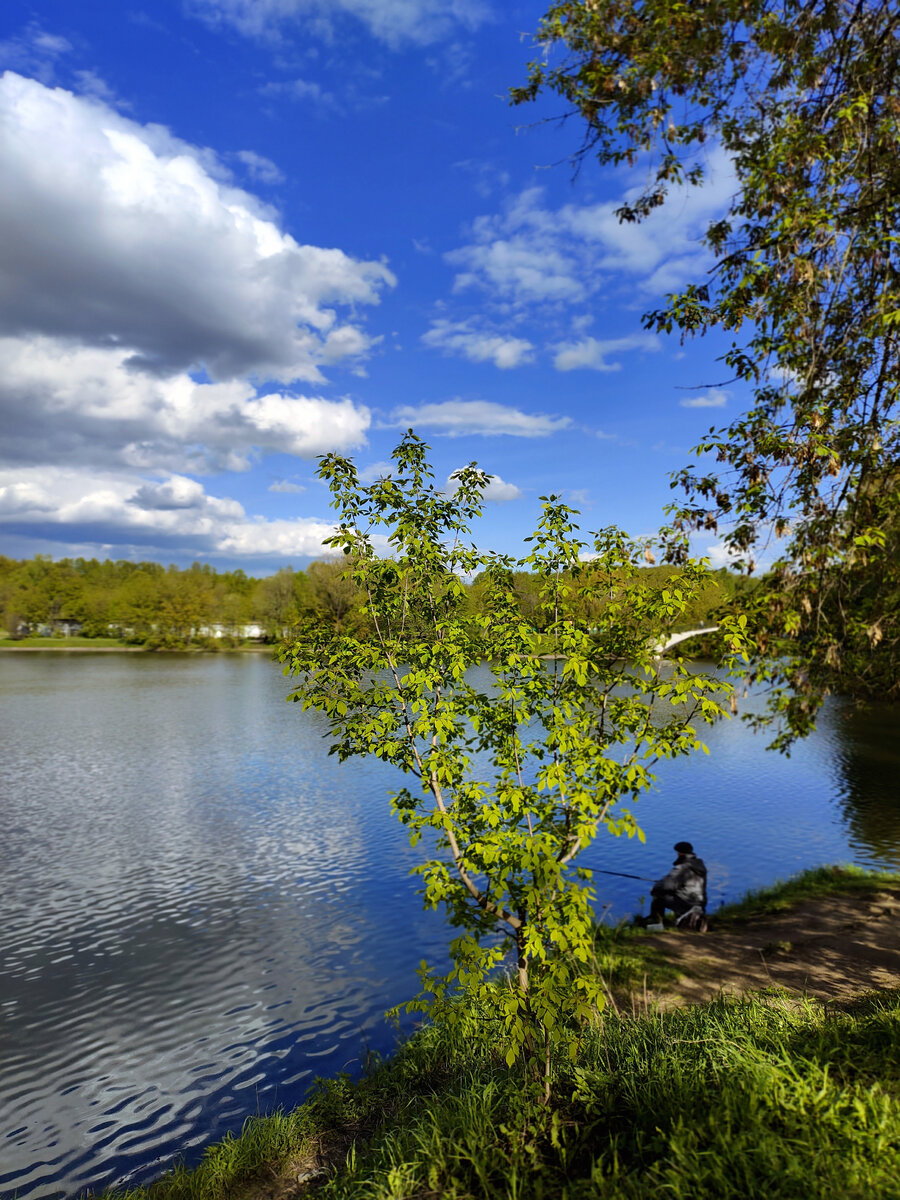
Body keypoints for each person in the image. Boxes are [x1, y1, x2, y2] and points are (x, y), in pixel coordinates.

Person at [646, 841, 708, 931]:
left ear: (679, 853)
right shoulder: (699, 865)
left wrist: (656, 887)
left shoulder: (682, 868)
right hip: (700, 902)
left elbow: (666, 886)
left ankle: (656, 921)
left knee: (658, 894)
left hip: (687, 903)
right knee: (672, 892)